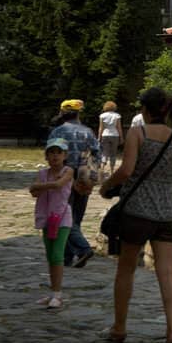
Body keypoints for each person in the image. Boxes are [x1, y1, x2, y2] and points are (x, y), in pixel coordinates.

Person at [102, 86, 172, 343]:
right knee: (167, 271)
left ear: (144, 110)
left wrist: (106, 185)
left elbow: (127, 170)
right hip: (170, 212)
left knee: (126, 267)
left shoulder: (137, 134)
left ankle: (119, 327)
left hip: (138, 210)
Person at [48, 99, 100, 269]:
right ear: (78, 113)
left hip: (64, 178)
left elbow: (52, 155)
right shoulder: (88, 132)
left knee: (63, 217)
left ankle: (83, 248)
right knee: (76, 216)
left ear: (62, 113)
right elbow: (97, 156)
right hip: (84, 178)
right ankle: (68, 255)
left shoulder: (58, 132)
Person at [30, 137, 74, 309]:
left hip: (62, 217)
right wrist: (39, 187)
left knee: (57, 254)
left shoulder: (67, 171)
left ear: (65, 155)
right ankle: (53, 292)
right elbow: (33, 192)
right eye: (51, 153)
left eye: (58, 152)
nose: (55, 156)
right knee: (50, 256)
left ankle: (58, 294)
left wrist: (39, 186)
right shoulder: (42, 173)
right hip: (46, 217)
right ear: (46, 156)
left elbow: (57, 185)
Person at [98, 101, 123, 171]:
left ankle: (102, 169)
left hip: (105, 134)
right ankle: (112, 170)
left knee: (104, 152)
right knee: (113, 153)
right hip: (115, 135)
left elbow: (101, 128)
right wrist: (121, 138)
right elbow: (119, 127)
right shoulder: (117, 115)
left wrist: (99, 137)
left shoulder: (102, 116)